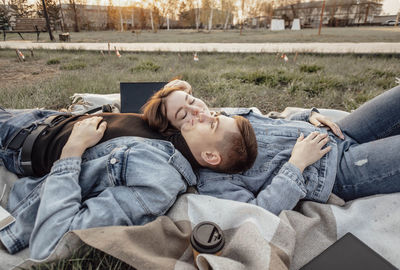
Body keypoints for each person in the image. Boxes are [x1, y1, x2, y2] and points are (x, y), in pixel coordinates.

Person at [142, 82, 400, 216]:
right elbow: (258, 211)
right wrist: (296, 165)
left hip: (338, 132)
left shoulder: (223, 115)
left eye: (191, 100)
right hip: (339, 171)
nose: (198, 111)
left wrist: (307, 116)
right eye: (183, 114)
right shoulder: (212, 176)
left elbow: (271, 119)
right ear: (178, 133)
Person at [0, 113, 197, 260]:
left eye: (213, 122)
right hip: (46, 119)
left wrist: (73, 149)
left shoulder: (159, 179)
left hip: (19, 140)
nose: (203, 113)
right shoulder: (179, 135)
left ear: (212, 157)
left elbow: (51, 244)